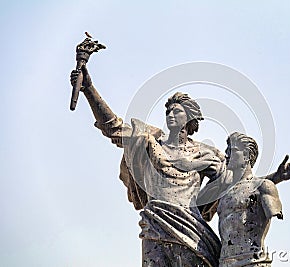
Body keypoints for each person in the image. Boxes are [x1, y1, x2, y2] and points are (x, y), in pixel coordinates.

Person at [70, 66, 229, 266]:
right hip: (154, 224)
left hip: (192, 229)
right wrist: (89, 89)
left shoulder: (204, 153)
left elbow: (228, 182)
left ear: (190, 117)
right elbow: (113, 127)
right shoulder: (148, 141)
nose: (170, 114)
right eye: (168, 111)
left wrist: (204, 203)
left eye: (177, 111)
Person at [215, 132, 290, 267]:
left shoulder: (264, 186)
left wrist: (275, 179)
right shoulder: (223, 193)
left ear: (247, 156)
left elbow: (254, 189)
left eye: (232, 150)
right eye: (226, 150)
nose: (226, 154)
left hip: (253, 262)